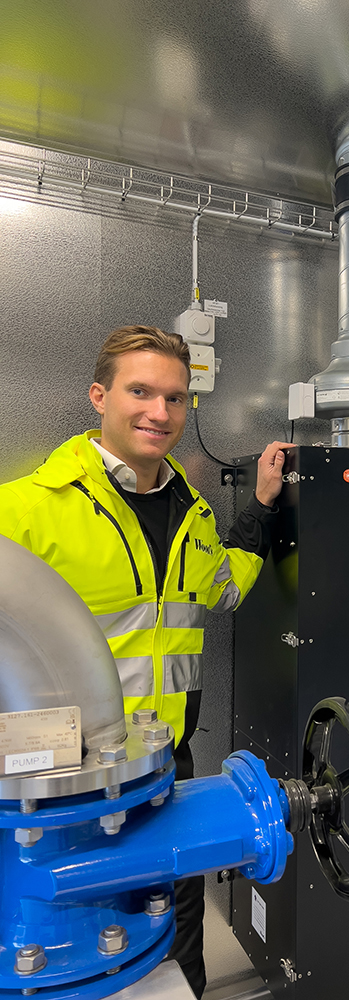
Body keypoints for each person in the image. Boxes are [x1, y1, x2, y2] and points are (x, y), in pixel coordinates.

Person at [0, 325, 291, 998]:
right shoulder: (27, 510)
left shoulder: (192, 514)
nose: (160, 412)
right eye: (140, 392)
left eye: (175, 398)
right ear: (99, 396)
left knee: (173, 937)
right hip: (58, 791)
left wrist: (262, 507)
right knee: (64, 958)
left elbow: (225, 589)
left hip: (163, 772)